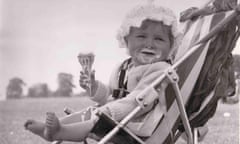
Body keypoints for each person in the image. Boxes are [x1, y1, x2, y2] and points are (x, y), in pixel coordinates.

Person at [24, 3, 183, 142]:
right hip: (119, 119)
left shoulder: (160, 70)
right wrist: (93, 87)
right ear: (126, 41)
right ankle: (53, 129)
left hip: (138, 125)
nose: (149, 44)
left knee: (96, 117)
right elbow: (110, 94)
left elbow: (140, 101)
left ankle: (61, 131)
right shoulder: (123, 68)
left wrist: (109, 111)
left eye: (159, 39)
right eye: (141, 36)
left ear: (171, 47)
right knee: (88, 113)